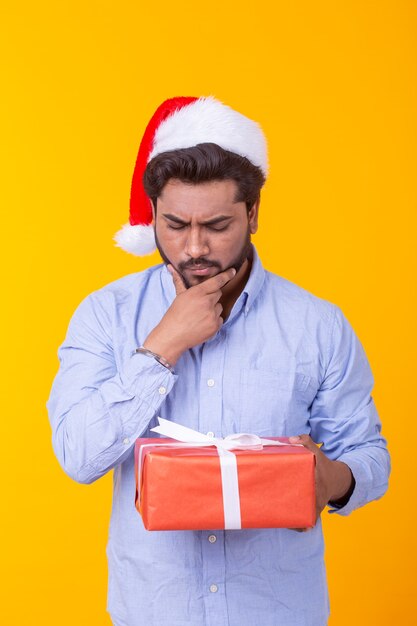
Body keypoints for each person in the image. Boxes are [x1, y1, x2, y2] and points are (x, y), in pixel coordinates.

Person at [47, 96, 390, 626]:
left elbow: (369, 454)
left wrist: (333, 480)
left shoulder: (317, 324)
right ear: (154, 215)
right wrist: (162, 346)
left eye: (218, 225)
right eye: (176, 224)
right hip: (154, 612)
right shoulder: (105, 316)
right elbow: (78, 456)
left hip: (279, 613)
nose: (194, 248)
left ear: (253, 214)